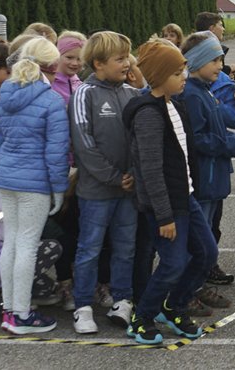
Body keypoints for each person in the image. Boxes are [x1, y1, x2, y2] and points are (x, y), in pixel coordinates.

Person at [123, 41, 217, 346]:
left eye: (184, 70)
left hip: (185, 197)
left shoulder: (175, 105)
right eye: (177, 72)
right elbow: (150, 170)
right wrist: (164, 215)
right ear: (159, 76)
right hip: (165, 206)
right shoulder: (149, 114)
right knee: (173, 263)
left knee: (206, 253)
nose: (184, 76)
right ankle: (142, 318)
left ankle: (174, 306)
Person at [0, 36, 70, 334]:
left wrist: (6, 165)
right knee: (26, 244)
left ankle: (10, 309)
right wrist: (59, 188)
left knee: (10, 243)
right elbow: (56, 152)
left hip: (7, 179)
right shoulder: (51, 100)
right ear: (51, 65)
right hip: (35, 183)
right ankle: (22, 314)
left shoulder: (6, 92)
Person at [69, 31, 138, 334]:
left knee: (126, 248)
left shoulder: (132, 93)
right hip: (97, 191)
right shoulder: (85, 93)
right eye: (120, 59)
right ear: (98, 63)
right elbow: (85, 145)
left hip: (128, 191)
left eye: (128, 57)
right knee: (89, 249)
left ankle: (122, 300)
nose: (127, 64)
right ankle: (82, 305)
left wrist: (132, 175)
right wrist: (114, 177)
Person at [180, 31, 235, 307]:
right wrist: (231, 145)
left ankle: (196, 285)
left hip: (214, 175)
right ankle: (186, 292)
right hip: (204, 178)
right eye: (214, 61)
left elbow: (218, 128)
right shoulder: (192, 95)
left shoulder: (205, 91)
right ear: (196, 62)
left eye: (220, 60)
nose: (220, 67)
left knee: (205, 234)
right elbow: (197, 139)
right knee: (198, 239)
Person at [0, 173, 64, 322]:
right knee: (50, 248)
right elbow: (9, 236)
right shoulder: (4, 197)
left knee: (46, 288)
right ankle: (5, 300)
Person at [52, 31, 87, 107]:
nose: (75, 63)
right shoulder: (48, 84)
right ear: (58, 56)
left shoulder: (81, 86)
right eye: (69, 57)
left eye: (79, 59)